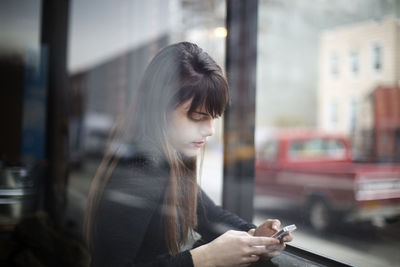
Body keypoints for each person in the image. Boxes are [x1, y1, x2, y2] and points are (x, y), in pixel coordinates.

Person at [83, 42, 293, 267]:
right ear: (159, 109)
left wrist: (254, 234)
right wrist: (205, 258)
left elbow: (208, 213)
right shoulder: (141, 170)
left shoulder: (168, 161)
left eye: (213, 117)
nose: (210, 130)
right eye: (196, 116)